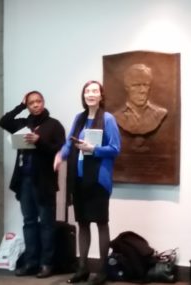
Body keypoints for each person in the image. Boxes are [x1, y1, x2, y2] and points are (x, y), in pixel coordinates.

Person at [54, 81, 121, 285]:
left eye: (95, 91)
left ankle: (101, 270)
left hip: (99, 180)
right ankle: (82, 268)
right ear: (83, 96)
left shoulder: (108, 119)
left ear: (101, 95)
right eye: (87, 91)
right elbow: (69, 143)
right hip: (79, 178)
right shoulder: (79, 118)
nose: (90, 94)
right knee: (82, 223)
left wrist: (94, 149)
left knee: (101, 223)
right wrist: (61, 155)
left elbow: (115, 148)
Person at [0, 91, 65, 278]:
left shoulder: (54, 125)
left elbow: (59, 150)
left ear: (43, 102)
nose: (35, 105)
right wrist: (19, 105)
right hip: (24, 180)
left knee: (46, 223)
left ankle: (46, 264)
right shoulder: (23, 124)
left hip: (44, 182)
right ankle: (31, 262)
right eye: (31, 103)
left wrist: (39, 141)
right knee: (29, 223)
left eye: (38, 101)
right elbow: (3, 121)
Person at [114, 63, 168, 135]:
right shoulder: (117, 116)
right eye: (136, 85)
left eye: (145, 85)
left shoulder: (160, 113)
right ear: (127, 88)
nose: (142, 90)